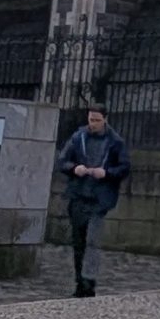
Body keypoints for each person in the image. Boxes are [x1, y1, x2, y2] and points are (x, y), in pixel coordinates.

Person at [56, 105, 129, 296]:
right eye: (91, 119)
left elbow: (124, 167)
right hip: (79, 194)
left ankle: (89, 282)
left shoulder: (115, 142)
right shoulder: (78, 137)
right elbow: (62, 161)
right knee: (78, 242)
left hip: (99, 199)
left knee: (92, 242)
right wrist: (74, 168)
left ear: (105, 119)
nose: (93, 124)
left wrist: (106, 173)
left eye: (96, 120)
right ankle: (80, 281)